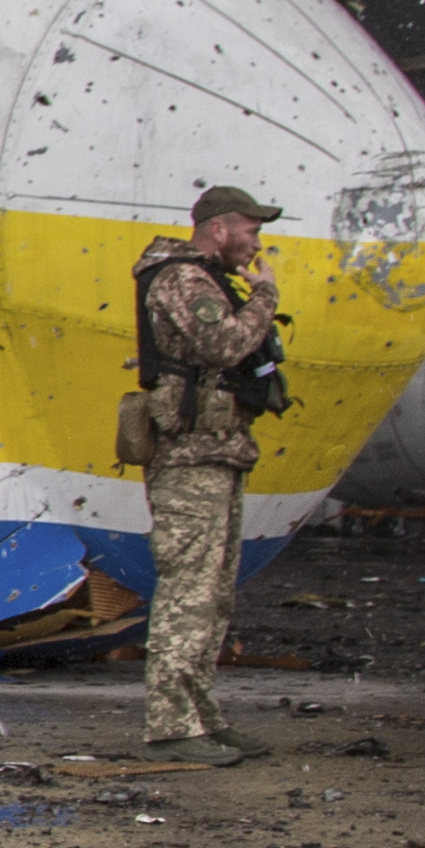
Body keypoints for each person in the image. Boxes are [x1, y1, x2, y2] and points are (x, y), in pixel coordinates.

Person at [128, 185, 285, 762]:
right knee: (189, 591)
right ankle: (172, 726)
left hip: (217, 450)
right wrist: (265, 296)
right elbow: (224, 344)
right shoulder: (181, 278)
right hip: (189, 457)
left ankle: (200, 715)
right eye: (251, 231)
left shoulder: (206, 279)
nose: (256, 244)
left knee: (213, 595)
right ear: (219, 228)